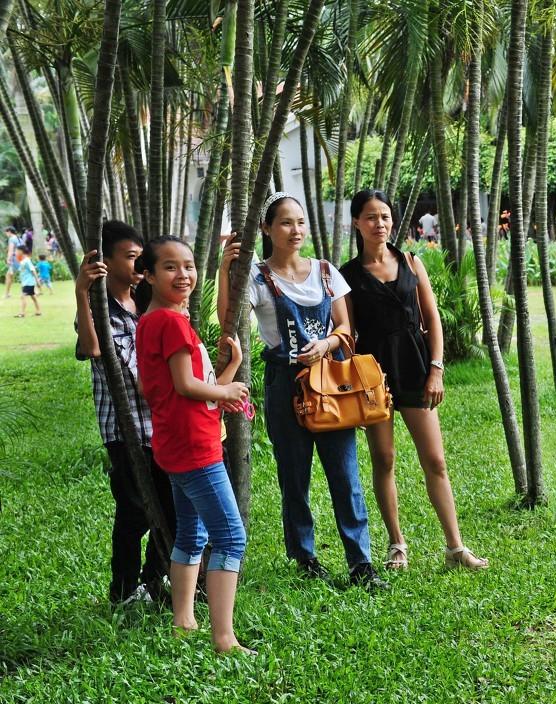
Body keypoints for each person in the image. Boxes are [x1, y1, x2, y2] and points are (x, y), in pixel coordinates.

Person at [217, 192, 387, 592]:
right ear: (267, 229)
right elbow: (229, 322)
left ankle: (360, 562)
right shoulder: (257, 277)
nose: (295, 231)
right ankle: (304, 557)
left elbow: (346, 329)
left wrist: (326, 345)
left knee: (346, 475)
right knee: (294, 476)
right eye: (285, 223)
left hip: (331, 386)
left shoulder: (326, 273)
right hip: (284, 383)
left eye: (300, 222)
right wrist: (228, 272)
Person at [340, 190, 489, 570]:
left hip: (416, 369)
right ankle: (397, 545)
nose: (380, 223)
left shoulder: (410, 262)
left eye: (385, 216)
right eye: (371, 217)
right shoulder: (348, 276)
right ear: (357, 223)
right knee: (384, 459)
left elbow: (432, 318)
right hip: (374, 378)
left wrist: (436, 368)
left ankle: (455, 548)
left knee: (435, 461)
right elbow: (348, 331)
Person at [135, 235, 252, 654]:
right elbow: (187, 387)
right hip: (194, 448)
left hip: (179, 442)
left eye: (187, 265)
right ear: (147, 275)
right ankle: (224, 638)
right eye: (169, 266)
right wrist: (229, 391)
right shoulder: (168, 322)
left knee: (193, 530)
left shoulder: (152, 321)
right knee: (231, 537)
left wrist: (230, 371)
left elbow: (183, 389)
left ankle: (184, 621)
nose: (183, 274)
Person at [74, 221, 177, 607]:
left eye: (140, 257)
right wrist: (82, 292)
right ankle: (123, 591)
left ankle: (154, 583)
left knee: (171, 510)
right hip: (125, 429)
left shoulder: (147, 301)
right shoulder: (101, 308)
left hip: (162, 424)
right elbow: (92, 350)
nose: (138, 263)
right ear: (106, 260)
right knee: (134, 511)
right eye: (131, 256)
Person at [13, 248, 40, 317]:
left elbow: (33, 270)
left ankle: (22, 313)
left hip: (29, 282)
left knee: (23, 296)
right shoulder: (23, 261)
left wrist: (37, 281)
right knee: (33, 297)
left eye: (17, 251)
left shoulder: (27, 261)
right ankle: (38, 311)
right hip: (26, 282)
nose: (16, 252)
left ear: (22, 252)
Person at [4, 226, 20, 298]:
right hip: (21, 258)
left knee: (8, 276)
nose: (6, 234)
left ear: (9, 232)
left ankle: (7, 294)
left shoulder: (12, 239)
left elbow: (11, 250)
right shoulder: (18, 238)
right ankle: (8, 293)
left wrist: (8, 259)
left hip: (15, 259)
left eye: (6, 232)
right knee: (11, 275)